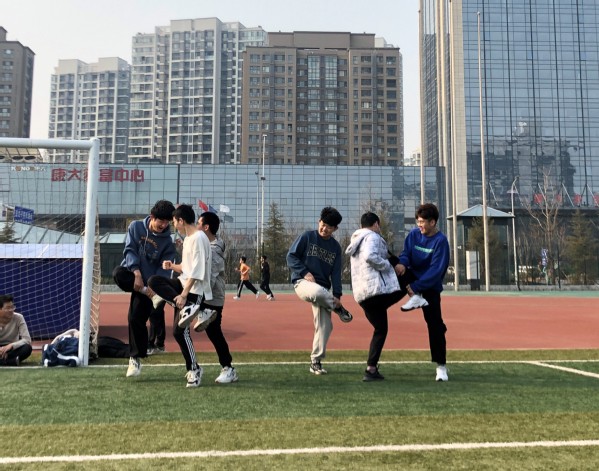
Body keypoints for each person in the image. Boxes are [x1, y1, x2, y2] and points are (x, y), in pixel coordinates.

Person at [148, 204, 217, 388]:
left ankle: (194, 370)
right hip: (182, 283)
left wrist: (184, 295)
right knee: (154, 281)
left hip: (194, 290)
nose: (173, 225)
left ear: (181, 220)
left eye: (174, 222)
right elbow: (186, 268)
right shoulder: (188, 239)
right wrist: (172, 266)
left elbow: (197, 270)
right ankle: (191, 309)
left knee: (179, 332)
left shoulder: (199, 237)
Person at [112, 199, 177, 378]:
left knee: (135, 318)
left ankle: (135, 358)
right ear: (152, 217)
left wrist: (152, 287)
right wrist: (136, 273)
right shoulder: (136, 227)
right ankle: (145, 292)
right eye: (161, 221)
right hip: (132, 275)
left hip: (150, 286)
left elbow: (164, 268)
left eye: (167, 223)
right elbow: (130, 249)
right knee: (118, 273)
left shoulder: (168, 242)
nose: (163, 226)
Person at [286, 206, 353, 375]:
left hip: (324, 290)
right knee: (317, 292)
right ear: (319, 221)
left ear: (335, 229)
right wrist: (304, 272)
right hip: (302, 282)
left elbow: (336, 273)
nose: (324, 229)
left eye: (329, 227)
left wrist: (337, 295)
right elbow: (291, 256)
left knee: (325, 326)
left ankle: (315, 361)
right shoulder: (307, 237)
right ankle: (337, 308)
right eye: (323, 224)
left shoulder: (335, 247)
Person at [394, 203, 450, 381]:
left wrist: (417, 287)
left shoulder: (441, 241)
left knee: (435, 326)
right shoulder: (413, 235)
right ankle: (414, 298)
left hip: (429, 286)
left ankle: (441, 367)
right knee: (396, 266)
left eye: (422, 222)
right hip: (412, 279)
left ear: (432, 222)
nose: (419, 225)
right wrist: (402, 263)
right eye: (418, 221)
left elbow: (436, 271)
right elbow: (406, 254)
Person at [346, 212, 404, 381]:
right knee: (409, 276)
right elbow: (370, 256)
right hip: (376, 291)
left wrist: (391, 261)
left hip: (362, 296)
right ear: (376, 224)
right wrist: (389, 265)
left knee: (381, 329)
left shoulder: (356, 241)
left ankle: (370, 370)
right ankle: (416, 294)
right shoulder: (372, 236)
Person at [195, 211, 239, 383]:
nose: (196, 226)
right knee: (213, 332)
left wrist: (198, 300)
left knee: (214, 332)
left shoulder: (214, 251)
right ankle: (227, 367)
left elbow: (209, 279)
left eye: (199, 223)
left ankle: (228, 368)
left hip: (212, 296)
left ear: (206, 227)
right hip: (208, 295)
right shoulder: (209, 244)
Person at [0, 294, 32, 366]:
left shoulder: (19, 318)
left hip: (11, 349)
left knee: (27, 348)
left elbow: (27, 339)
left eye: (12, 307)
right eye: (7, 308)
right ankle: (9, 362)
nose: (11, 310)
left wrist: (12, 345)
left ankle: (3, 360)